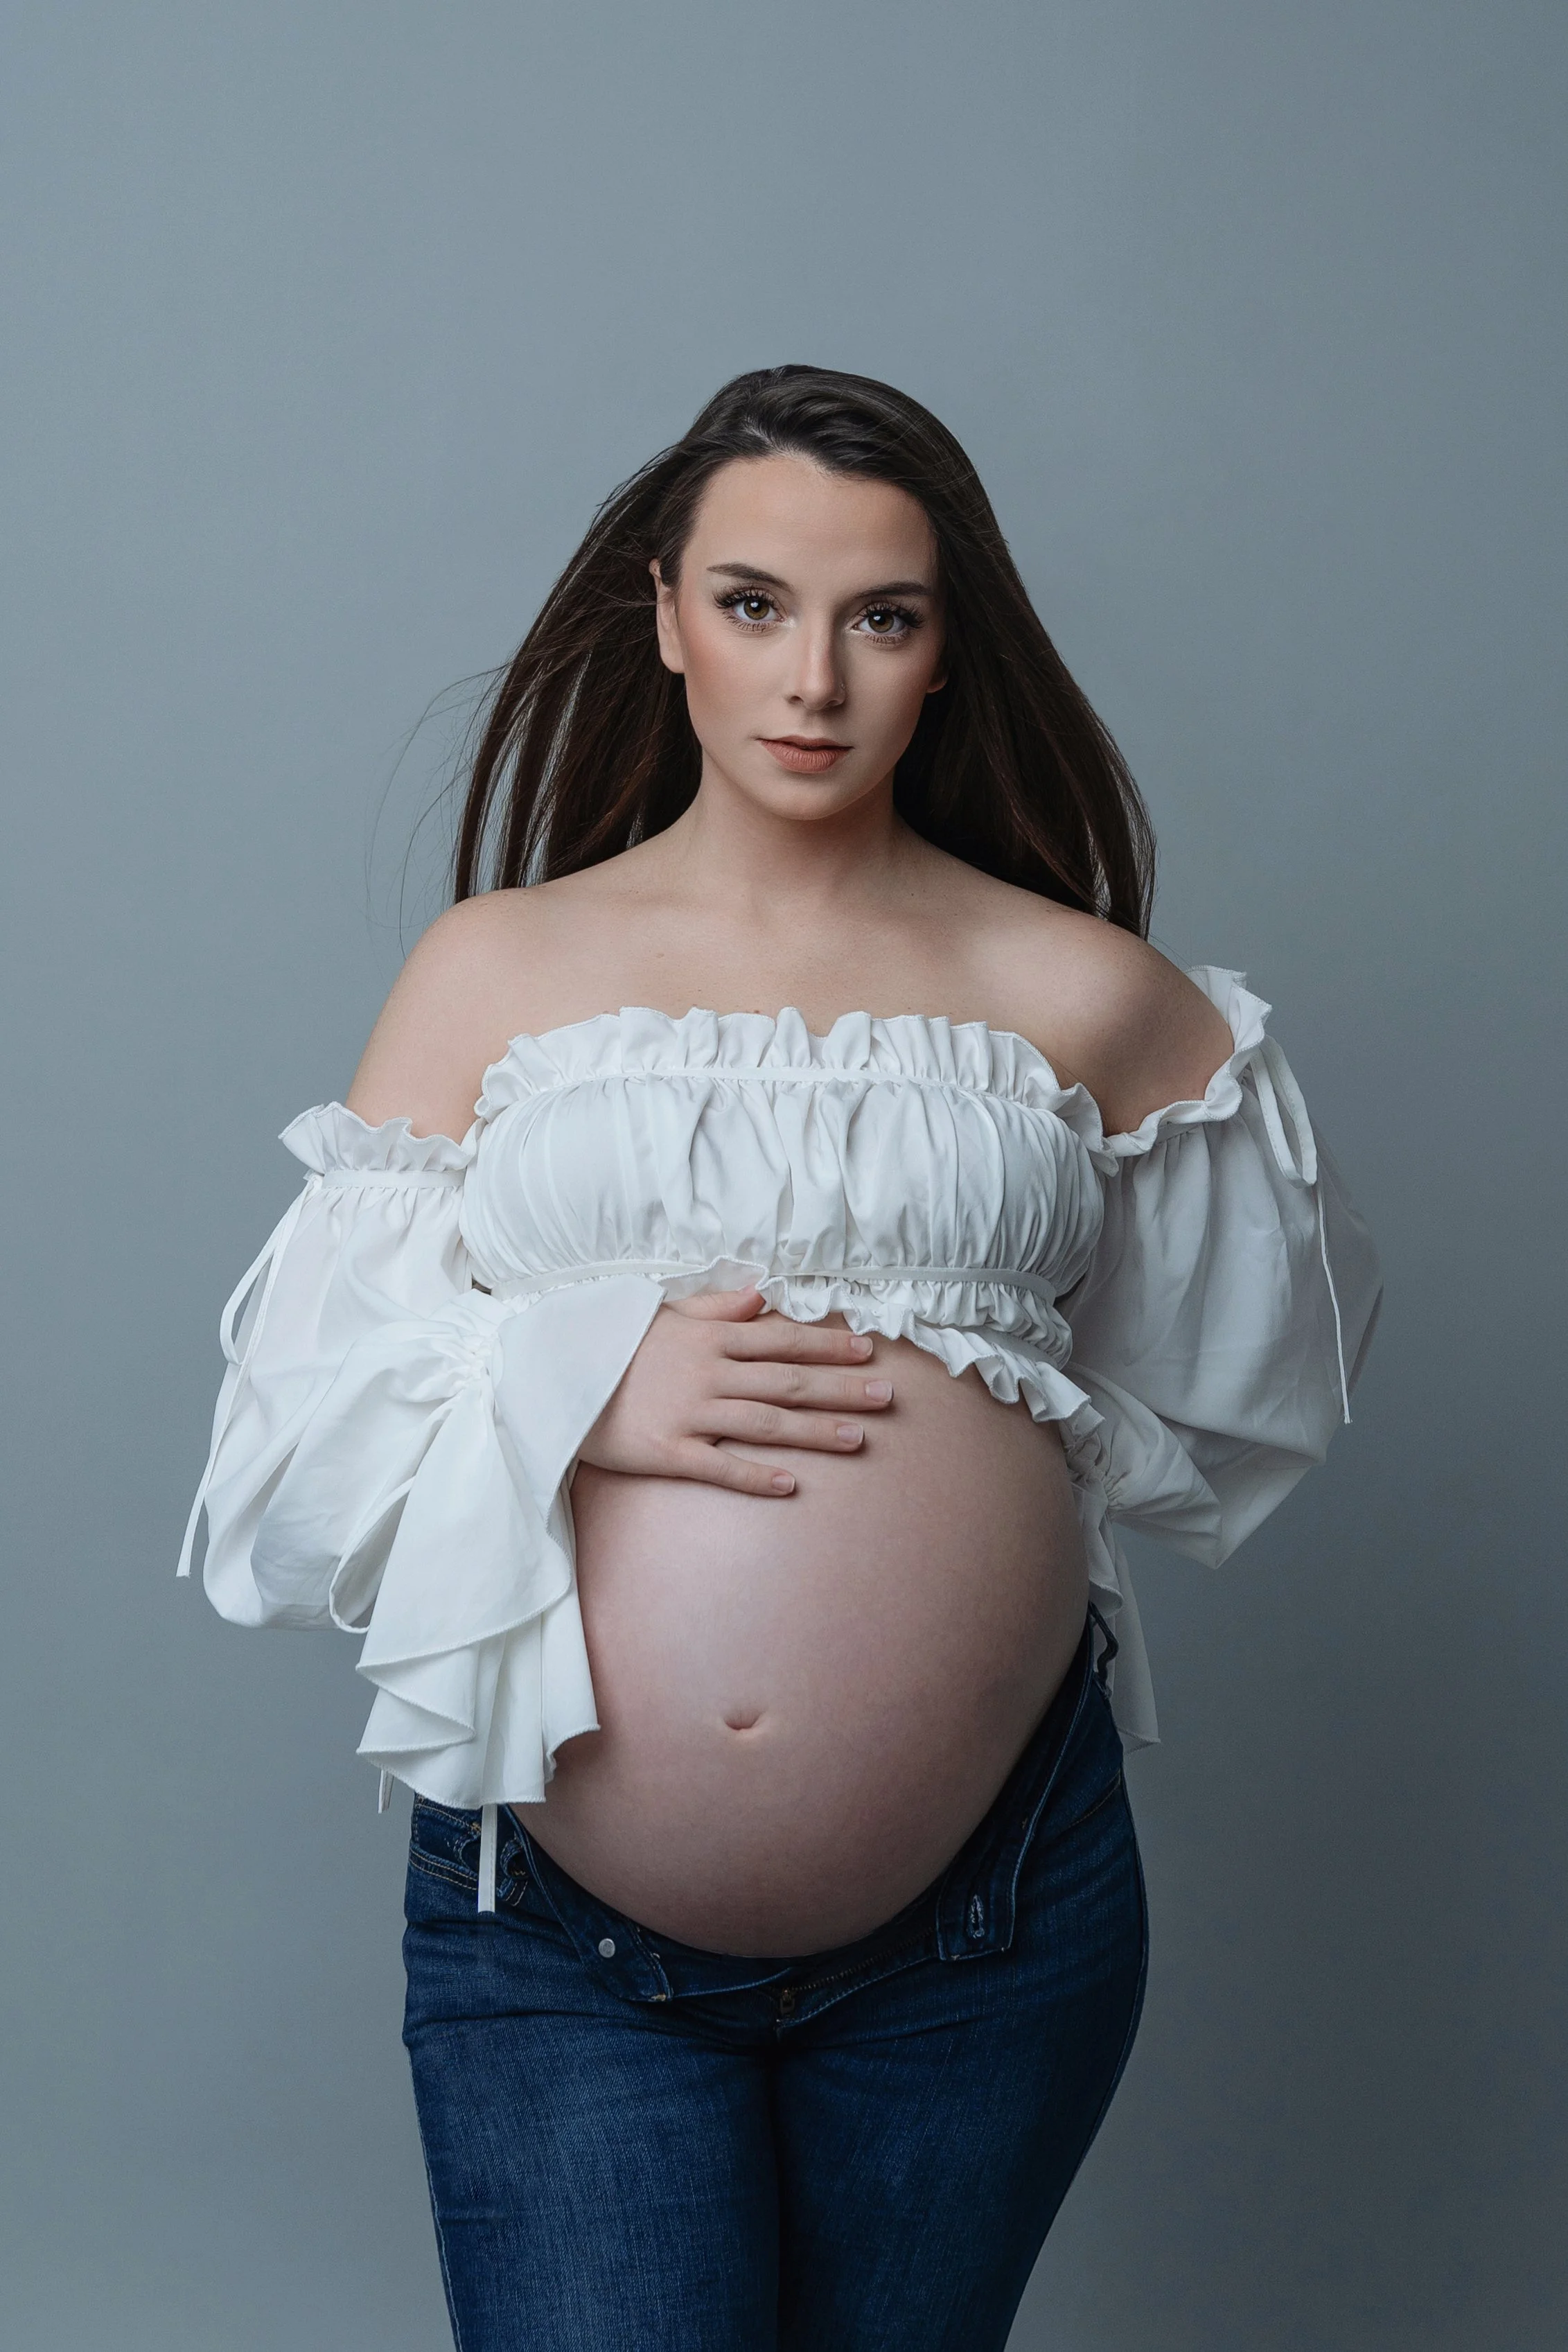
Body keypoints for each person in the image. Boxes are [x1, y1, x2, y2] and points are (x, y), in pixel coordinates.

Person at [179, 365, 1380, 2351]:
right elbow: (292, 1461)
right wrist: (578, 1387)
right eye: (752, 605)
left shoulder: (1069, 987)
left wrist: (968, 1481)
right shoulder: (498, 969)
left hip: (998, 1918)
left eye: (878, 616)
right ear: (660, 618)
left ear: (941, 656)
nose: (809, 678)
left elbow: (1263, 1363)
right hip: (554, 1936)